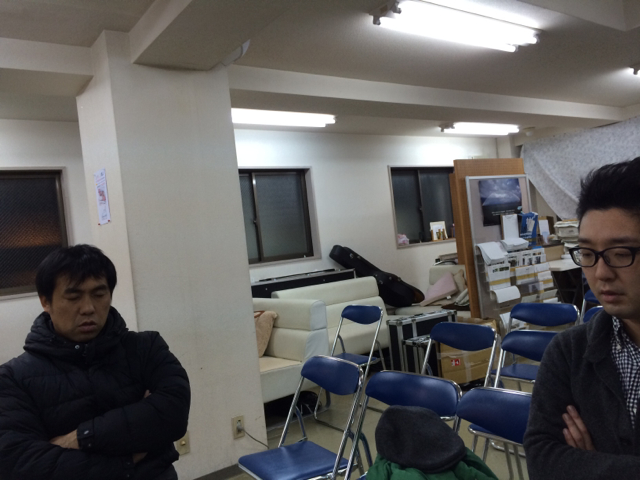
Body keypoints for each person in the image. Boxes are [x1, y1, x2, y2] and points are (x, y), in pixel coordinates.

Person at [0, 244, 191, 480]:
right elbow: (20, 463)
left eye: (99, 295)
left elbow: (173, 414)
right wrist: (126, 461)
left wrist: (81, 437)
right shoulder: (13, 378)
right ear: (45, 302)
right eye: (73, 297)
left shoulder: (145, 347)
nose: (88, 308)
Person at [524, 157, 640, 479]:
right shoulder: (569, 352)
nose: (601, 273)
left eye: (621, 253)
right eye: (588, 254)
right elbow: (542, 459)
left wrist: (591, 465)